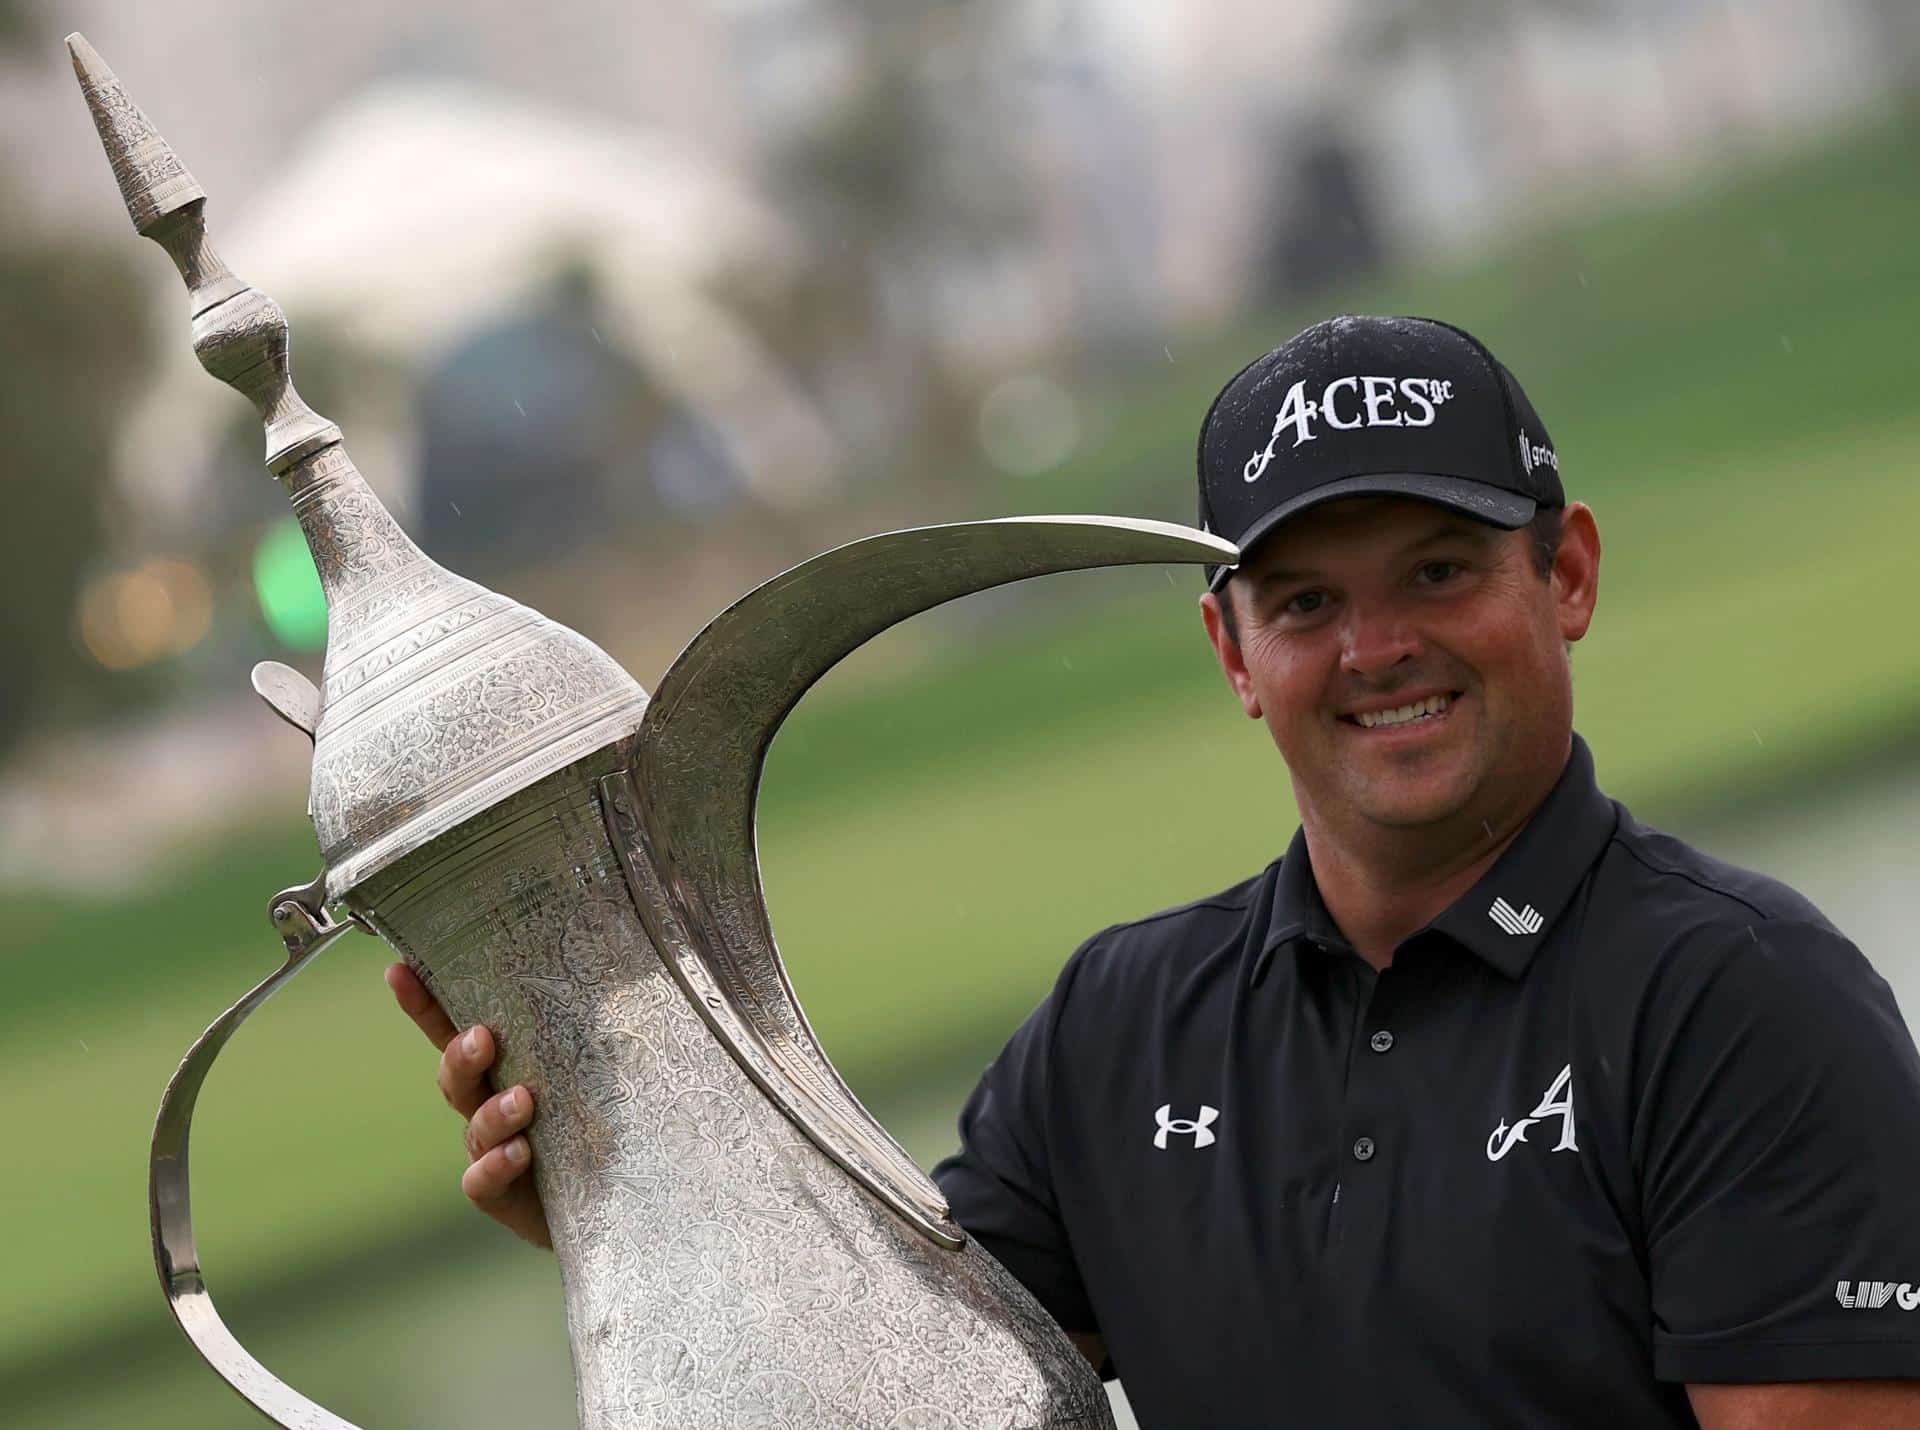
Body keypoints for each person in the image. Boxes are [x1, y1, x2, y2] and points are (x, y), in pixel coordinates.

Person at [388, 315, 1920, 1428]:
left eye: (1438, 573)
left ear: (1566, 574)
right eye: (1307, 598)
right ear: (1232, 651)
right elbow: (891, 1382)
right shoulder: (1121, 1029)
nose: (1377, 649)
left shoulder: (1742, 1001)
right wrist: (637, 1198)